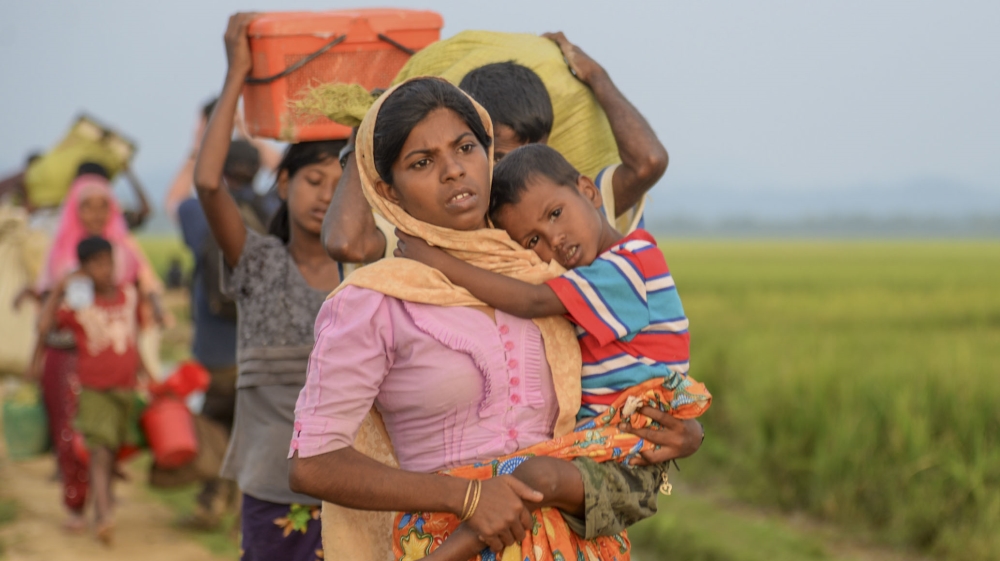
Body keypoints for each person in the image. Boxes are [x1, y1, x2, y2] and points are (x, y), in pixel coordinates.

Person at [288, 75, 703, 561]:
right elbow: (311, 465)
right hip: (449, 541)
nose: (453, 171)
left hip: (572, 544)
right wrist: (463, 497)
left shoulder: (543, 266)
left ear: (489, 152)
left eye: (466, 147)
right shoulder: (376, 300)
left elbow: (633, 372)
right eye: (422, 162)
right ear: (389, 191)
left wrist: (682, 432)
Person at [394, 143, 711, 559]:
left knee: (531, 475)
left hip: (628, 434)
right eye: (533, 240)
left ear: (589, 191)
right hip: (605, 437)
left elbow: (532, 301)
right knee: (512, 478)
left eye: (556, 214)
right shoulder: (593, 274)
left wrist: (434, 261)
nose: (554, 241)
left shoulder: (630, 262)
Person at [191, 13, 346, 560]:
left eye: (341, 182)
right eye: (313, 179)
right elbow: (209, 183)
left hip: (352, 490)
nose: (327, 195)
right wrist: (237, 71)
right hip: (269, 490)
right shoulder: (258, 264)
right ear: (282, 183)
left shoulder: (368, 278)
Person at [321, 32, 667, 265]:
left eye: (535, 152)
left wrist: (596, 76)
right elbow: (346, 242)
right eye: (501, 157)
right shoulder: (449, 226)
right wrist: (365, 130)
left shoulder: (568, 208)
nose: (522, 168)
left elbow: (648, 162)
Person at [26, 168, 163, 533]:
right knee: (70, 435)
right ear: (75, 209)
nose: (97, 214)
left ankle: (101, 495)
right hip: (65, 355)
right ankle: (77, 504)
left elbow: (136, 305)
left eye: (105, 205)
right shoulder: (59, 254)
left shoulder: (125, 252)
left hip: (109, 362)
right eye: (88, 206)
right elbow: (46, 311)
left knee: (106, 438)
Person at [174, 139, 267, 529]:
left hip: (213, 348)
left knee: (214, 423)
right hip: (260, 345)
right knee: (254, 427)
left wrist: (195, 155)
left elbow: (183, 199)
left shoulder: (196, 211)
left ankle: (213, 497)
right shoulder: (274, 209)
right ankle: (248, 509)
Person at [34, 236, 147, 545]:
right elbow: (44, 327)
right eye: (95, 264)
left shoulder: (128, 296)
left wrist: (149, 377)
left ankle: (103, 501)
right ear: (82, 270)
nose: (104, 269)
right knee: (99, 450)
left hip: (125, 388)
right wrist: (60, 288)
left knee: (112, 451)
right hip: (94, 389)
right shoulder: (79, 305)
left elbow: (134, 340)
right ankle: (103, 515)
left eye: (108, 262)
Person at [164, 97, 282, 222]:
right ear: (258, 167)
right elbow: (285, 175)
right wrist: (244, 129)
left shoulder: (205, 214)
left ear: (221, 171)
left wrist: (200, 142)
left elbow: (174, 201)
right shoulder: (273, 207)